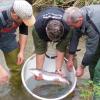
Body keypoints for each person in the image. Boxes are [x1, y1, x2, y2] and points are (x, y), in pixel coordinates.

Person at [63, 6, 100, 99]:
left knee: (98, 71)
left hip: (96, 28)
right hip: (97, 32)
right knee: (92, 61)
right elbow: (74, 37)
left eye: (71, 25)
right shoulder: (78, 14)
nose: (70, 27)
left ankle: (97, 95)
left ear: (80, 20)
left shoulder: (92, 24)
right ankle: (92, 83)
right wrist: (70, 59)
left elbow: (90, 50)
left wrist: (81, 67)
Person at [0, 0, 35, 97]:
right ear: (15, 16)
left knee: (17, 66)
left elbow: (23, 31)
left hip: (8, 37)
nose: (25, 23)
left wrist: (22, 51)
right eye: (23, 21)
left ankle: (15, 92)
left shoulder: (22, 10)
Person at [32, 7, 72, 79]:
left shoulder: (68, 27)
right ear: (46, 29)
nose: (53, 42)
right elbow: (40, 51)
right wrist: (39, 72)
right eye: (52, 40)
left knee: (69, 53)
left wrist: (58, 70)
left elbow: (61, 49)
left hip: (63, 23)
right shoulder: (38, 27)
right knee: (39, 49)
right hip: (42, 25)